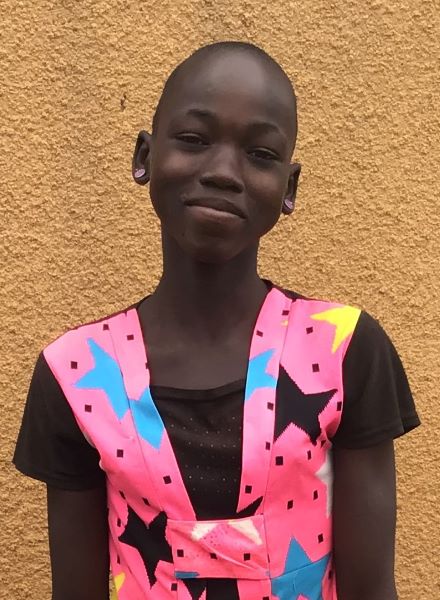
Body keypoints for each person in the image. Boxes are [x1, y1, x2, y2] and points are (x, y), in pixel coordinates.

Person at [13, 41, 420, 600]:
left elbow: (372, 589)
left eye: (260, 153)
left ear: (289, 189)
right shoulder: (75, 374)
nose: (224, 172)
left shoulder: (344, 350)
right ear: (144, 156)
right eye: (194, 139)